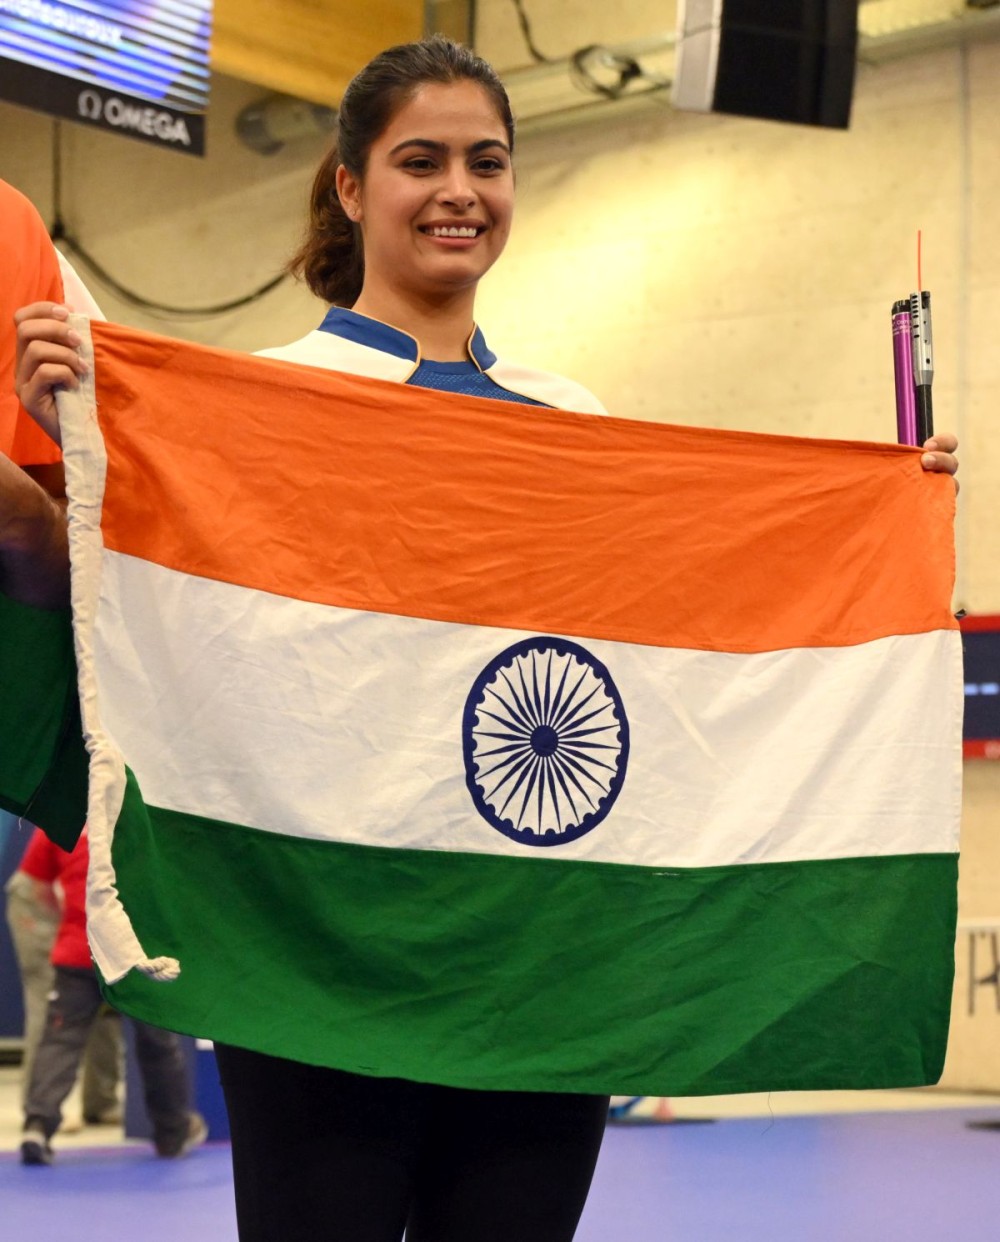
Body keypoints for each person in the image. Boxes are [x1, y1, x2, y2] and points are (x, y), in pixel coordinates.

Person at [4, 35, 960, 1242]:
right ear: (351, 188)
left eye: (487, 161)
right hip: (316, 975)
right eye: (421, 160)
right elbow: (112, 634)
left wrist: (878, 513)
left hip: (536, 982)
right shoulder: (246, 409)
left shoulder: (578, 424)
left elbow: (680, 651)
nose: (460, 189)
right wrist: (88, 441)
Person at [17, 827, 206, 1166]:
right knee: (157, 1042)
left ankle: (38, 1127)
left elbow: (36, 884)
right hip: (133, 955)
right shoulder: (143, 817)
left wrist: (70, 919)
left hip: (78, 952)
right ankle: (173, 1133)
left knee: (60, 1040)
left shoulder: (61, 819)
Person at [5, 826, 123, 1125]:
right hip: (37, 904)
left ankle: (100, 1102)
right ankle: (41, 1110)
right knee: (53, 1005)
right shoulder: (75, 811)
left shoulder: (126, 819)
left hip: (84, 909)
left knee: (104, 1000)